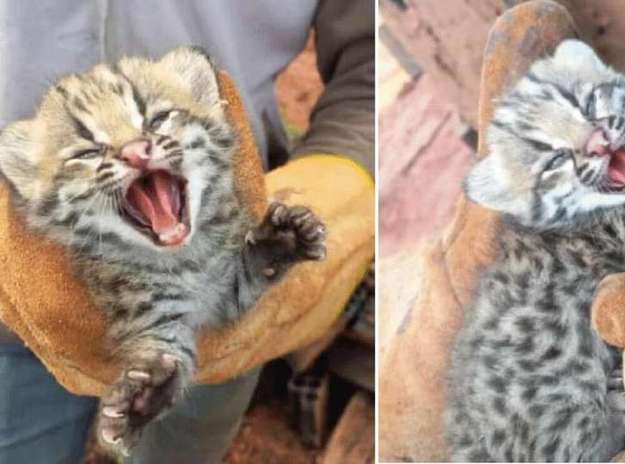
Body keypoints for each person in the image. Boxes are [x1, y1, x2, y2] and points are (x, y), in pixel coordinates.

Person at [0, 1, 374, 462]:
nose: (135, 150)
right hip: (13, 300)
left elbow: (373, 61)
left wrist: (343, 177)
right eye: (91, 148)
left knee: (184, 433)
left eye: (153, 122)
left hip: (232, 272)